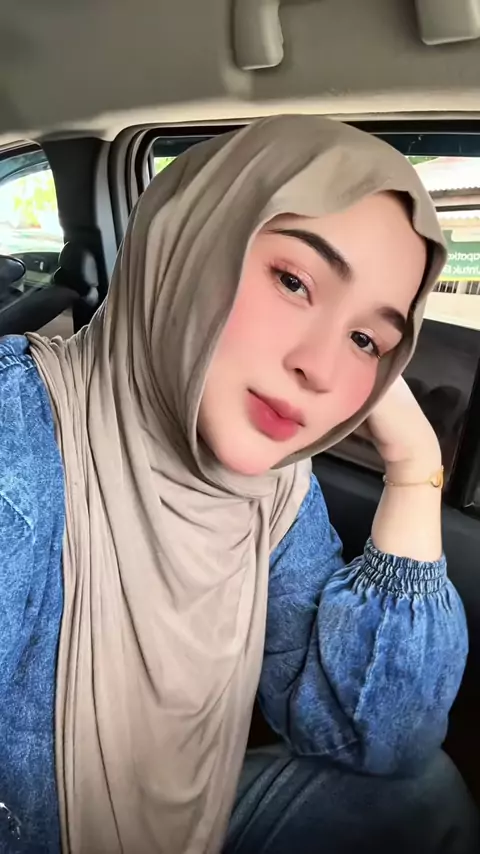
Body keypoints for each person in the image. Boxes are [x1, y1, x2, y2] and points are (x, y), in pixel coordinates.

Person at [0, 115, 477, 854]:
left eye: (366, 340)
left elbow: (376, 736)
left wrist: (415, 468)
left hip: (198, 825)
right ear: (189, 245)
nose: (322, 367)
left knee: (421, 795)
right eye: (294, 281)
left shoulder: (273, 485)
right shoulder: (17, 446)